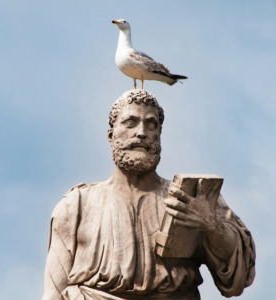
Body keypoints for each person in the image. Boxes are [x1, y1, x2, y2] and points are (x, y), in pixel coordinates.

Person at [42, 90, 255, 300]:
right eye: (130, 122)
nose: (141, 132)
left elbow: (237, 276)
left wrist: (212, 226)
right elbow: (53, 293)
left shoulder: (190, 198)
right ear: (111, 135)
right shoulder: (76, 206)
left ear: (159, 135)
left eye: (151, 125)